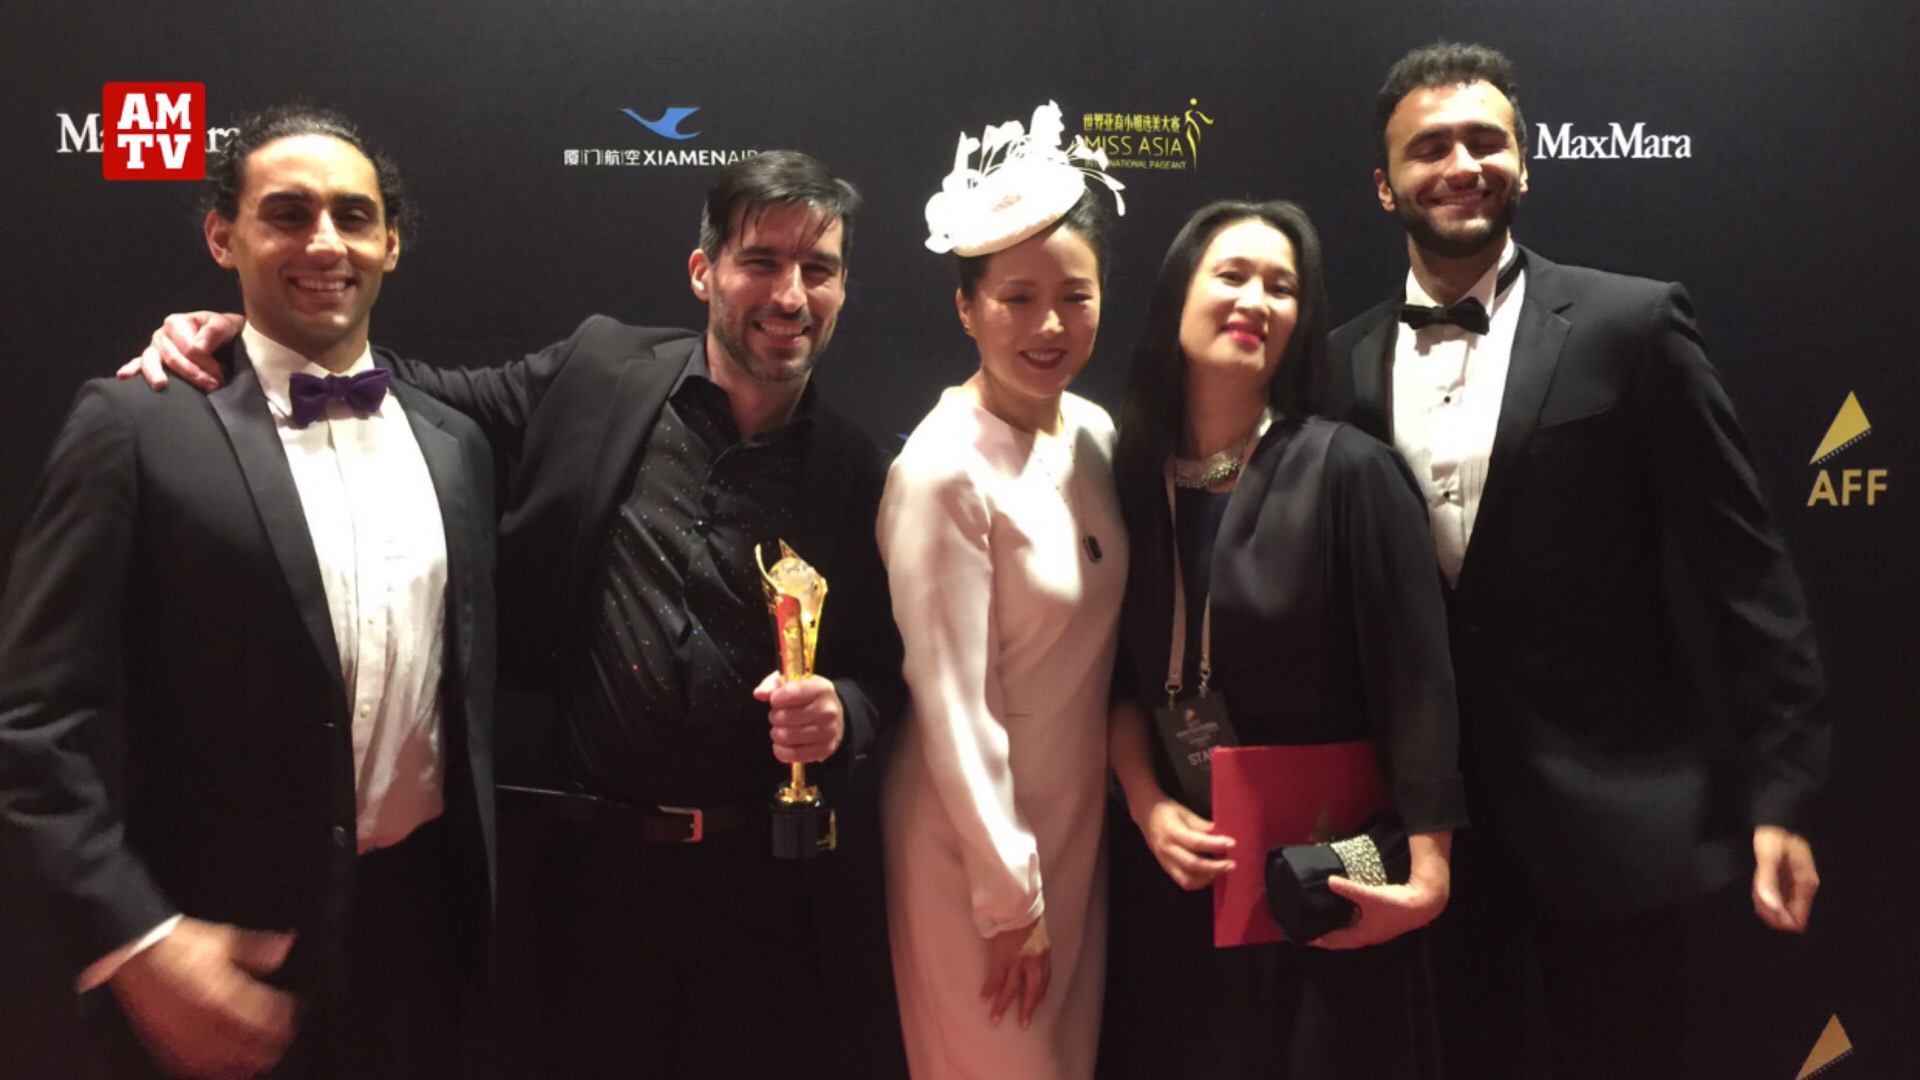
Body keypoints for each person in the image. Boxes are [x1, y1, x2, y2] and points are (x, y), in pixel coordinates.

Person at [129, 151, 906, 1078]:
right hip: (590, 884)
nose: (789, 295)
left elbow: (881, 665)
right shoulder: (602, 369)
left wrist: (844, 713)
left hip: (761, 886)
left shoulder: (857, 467)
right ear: (704, 272)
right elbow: (408, 391)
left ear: (843, 288)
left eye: (818, 269)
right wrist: (255, 341)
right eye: (762, 262)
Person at [1327, 41, 1829, 1080]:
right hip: (1423, 838)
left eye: (1485, 140)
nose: (1461, 164)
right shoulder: (1336, 363)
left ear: (1526, 162)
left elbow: (1747, 576)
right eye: (1429, 147)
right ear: (1384, 185)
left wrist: (1783, 792)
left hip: (1618, 826)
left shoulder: (1632, 325)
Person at [0, 105, 497, 1079]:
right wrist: (136, 939)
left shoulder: (457, 447)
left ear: (391, 243)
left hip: (416, 952)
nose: (326, 242)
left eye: (354, 216)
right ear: (222, 237)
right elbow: (33, 725)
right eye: (289, 213)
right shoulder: (132, 426)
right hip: (209, 950)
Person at [1100, 200, 1465, 1079]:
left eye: (1282, 287)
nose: (1255, 301)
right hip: (1175, 880)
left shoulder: (1350, 471)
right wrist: (1147, 804)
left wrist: (1429, 877)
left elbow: (1418, 682)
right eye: (1231, 275)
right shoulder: (1130, 480)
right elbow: (1118, 681)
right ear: (1177, 295)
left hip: (1319, 877)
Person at [877, 103, 1128, 1080]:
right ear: (966, 308)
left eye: (1075, 296)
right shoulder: (943, 470)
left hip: (1075, 832)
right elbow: (953, 707)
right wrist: (1008, 898)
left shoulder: (1097, 434)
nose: (1049, 325)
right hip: (973, 850)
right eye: (1017, 298)